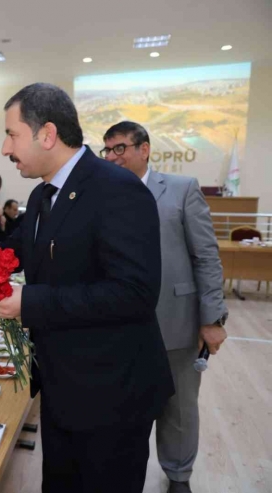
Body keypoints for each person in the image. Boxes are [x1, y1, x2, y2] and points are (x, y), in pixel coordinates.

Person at [0, 83, 174, 493]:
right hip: (64, 386)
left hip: (112, 394)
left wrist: (28, 301)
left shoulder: (117, 190)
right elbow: (11, 251)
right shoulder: (44, 193)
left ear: (46, 134)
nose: (4, 148)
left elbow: (134, 293)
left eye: (12, 134)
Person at [102, 121, 228, 493]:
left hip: (177, 320)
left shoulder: (181, 189)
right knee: (126, 407)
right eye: (107, 150)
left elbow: (206, 255)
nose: (112, 157)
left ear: (145, 149)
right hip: (120, 322)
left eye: (120, 148)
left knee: (178, 407)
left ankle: (178, 475)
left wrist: (212, 318)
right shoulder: (103, 195)